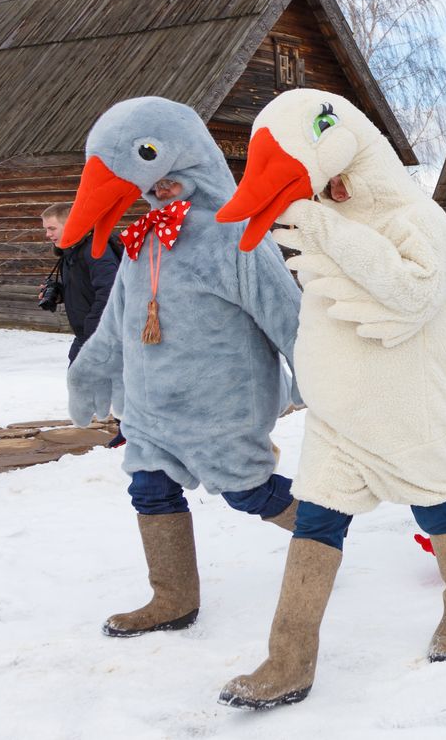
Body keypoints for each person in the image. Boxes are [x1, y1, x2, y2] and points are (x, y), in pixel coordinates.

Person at [212, 89, 446, 710]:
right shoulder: (328, 215)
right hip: (337, 413)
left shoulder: (421, 222)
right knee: (315, 522)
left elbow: (413, 293)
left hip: (407, 410)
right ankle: (288, 661)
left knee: (435, 506)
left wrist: (316, 223)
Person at [58, 97, 304, 640]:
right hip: (149, 410)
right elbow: (118, 318)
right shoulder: (143, 237)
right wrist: (91, 368)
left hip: (221, 407)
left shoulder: (233, 235)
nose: (159, 191)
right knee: (148, 490)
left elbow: (287, 312)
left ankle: (325, 528)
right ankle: (171, 599)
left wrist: (313, 374)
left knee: (250, 494)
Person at [41, 202, 120, 363]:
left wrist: (92, 332)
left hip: (103, 338)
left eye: (52, 228)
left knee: (89, 385)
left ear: (70, 225)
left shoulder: (96, 250)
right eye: (46, 229)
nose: (47, 234)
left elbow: (110, 292)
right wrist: (60, 294)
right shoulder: (70, 252)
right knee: (79, 384)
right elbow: (86, 288)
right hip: (87, 335)